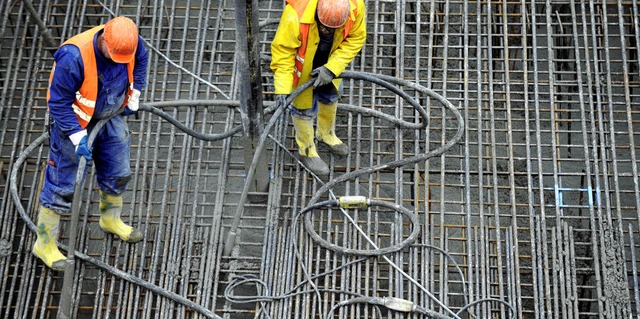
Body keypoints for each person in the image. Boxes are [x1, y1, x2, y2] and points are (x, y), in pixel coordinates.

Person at [33, 16, 149, 270]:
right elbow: (58, 102)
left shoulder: (130, 42)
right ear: (104, 40)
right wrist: (76, 134)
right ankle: (44, 242)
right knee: (63, 183)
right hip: (74, 121)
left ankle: (110, 219)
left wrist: (136, 92)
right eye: (114, 55)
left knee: (119, 171)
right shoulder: (73, 57)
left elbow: (141, 60)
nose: (119, 59)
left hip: (111, 115)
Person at [271, 0, 366, 176]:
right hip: (303, 70)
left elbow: (356, 38)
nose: (328, 32)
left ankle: (326, 134)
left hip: (330, 64)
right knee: (303, 110)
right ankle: (306, 151)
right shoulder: (294, 16)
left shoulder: (354, 7)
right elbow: (283, 53)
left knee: (330, 97)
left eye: (334, 29)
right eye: (325, 27)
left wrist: (331, 68)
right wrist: (282, 87)